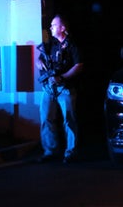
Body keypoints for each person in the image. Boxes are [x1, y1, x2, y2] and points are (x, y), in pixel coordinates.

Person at [35, 14, 84, 164]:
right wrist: (39, 62)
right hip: (49, 88)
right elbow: (40, 57)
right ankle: (50, 151)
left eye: (54, 25)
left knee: (69, 120)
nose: (51, 28)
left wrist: (62, 77)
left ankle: (71, 152)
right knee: (46, 118)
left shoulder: (73, 45)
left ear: (62, 28)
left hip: (65, 88)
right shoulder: (51, 43)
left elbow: (79, 66)